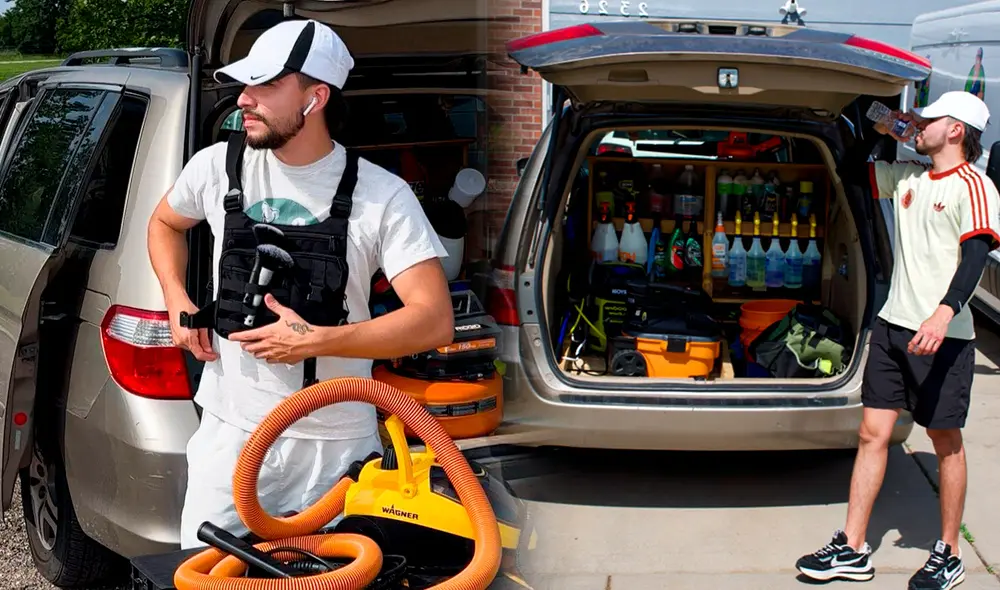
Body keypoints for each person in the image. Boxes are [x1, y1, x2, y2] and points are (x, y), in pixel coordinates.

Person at [146, 18, 454, 549]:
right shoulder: (218, 167)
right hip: (231, 437)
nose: (244, 99)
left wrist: (318, 341)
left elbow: (432, 318)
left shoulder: (382, 195)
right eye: (246, 85)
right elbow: (165, 223)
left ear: (316, 98)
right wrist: (176, 298)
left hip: (332, 452)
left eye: (265, 86)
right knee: (209, 579)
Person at [796, 90, 1000, 590]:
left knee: (945, 443)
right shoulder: (907, 175)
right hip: (892, 328)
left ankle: (949, 553)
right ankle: (853, 546)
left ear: (956, 130)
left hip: (943, 337)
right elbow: (848, 169)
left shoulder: (975, 186)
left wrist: (943, 312)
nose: (918, 123)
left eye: (929, 119)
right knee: (872, 435)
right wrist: (880, 130)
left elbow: (976, 258)